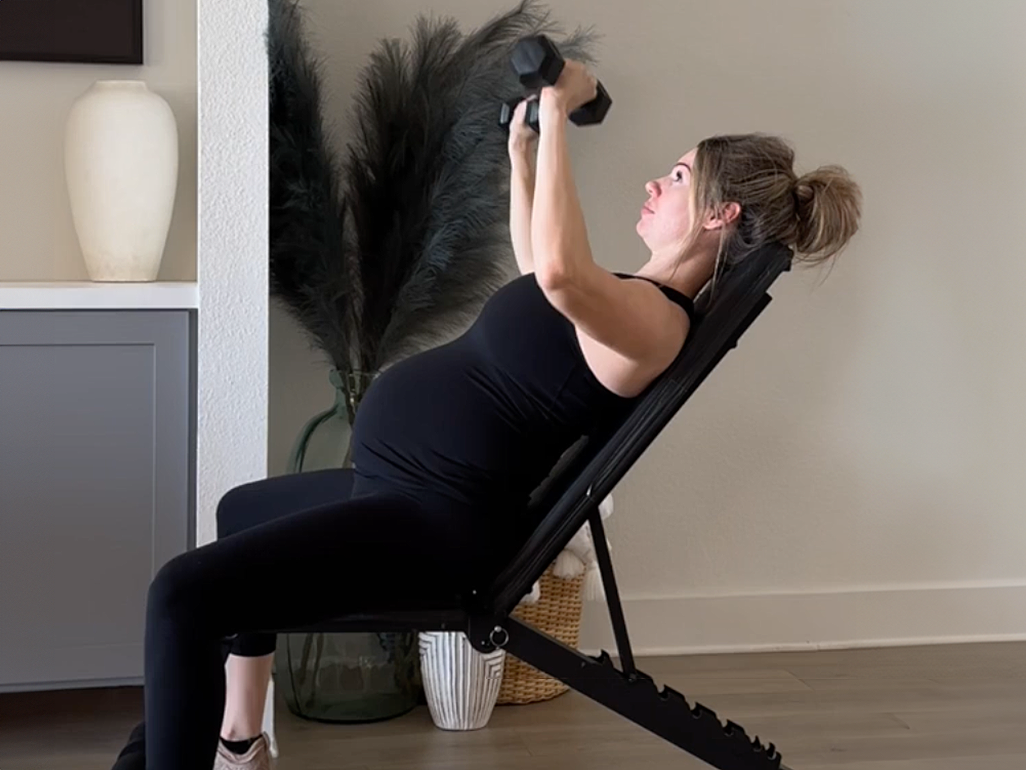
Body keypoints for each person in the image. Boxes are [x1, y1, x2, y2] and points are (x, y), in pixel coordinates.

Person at [111, 59, 861, 770]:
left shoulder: (655, 323)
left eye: (676, 176)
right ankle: (241, 742)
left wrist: (564, 111)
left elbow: (562, 274)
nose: (654, 185)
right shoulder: (626, 298)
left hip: (431, 525)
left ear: (718, 214)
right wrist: (524, 150)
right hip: (400, 490)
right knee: (240, 510)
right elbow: (543, 266)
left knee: (182, 596)